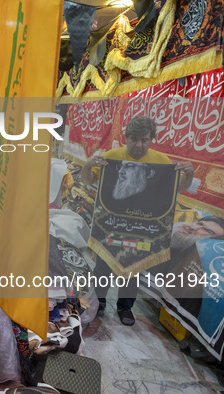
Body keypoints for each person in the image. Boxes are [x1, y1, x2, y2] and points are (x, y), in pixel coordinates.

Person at [80, 116, 194, 326]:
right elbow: (88, 181)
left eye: (144, 140)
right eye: (134, 139)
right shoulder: (112, 156)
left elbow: (176, 189)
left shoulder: (162, 162)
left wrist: (189, 174)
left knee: (133, 269)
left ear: (151, 140)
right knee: (103, 267)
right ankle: (100, 303)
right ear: (126, 137)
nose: (139, 145)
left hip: (142, 231)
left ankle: (125, 308)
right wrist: (88, 166)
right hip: (111, 228)